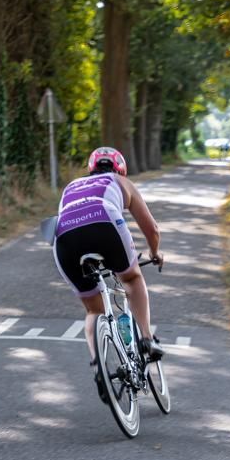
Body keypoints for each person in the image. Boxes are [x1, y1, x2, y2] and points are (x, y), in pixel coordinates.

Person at [52, 146, 164, 400]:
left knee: (94, 310)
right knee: (132, 278)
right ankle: (147, 339)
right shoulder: (121, 181)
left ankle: (98, 367)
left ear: (90, 168)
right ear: (120, 169)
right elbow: (152, 229)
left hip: (64, 236)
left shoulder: (71, 187)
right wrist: (155, 252)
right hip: (104, 220)